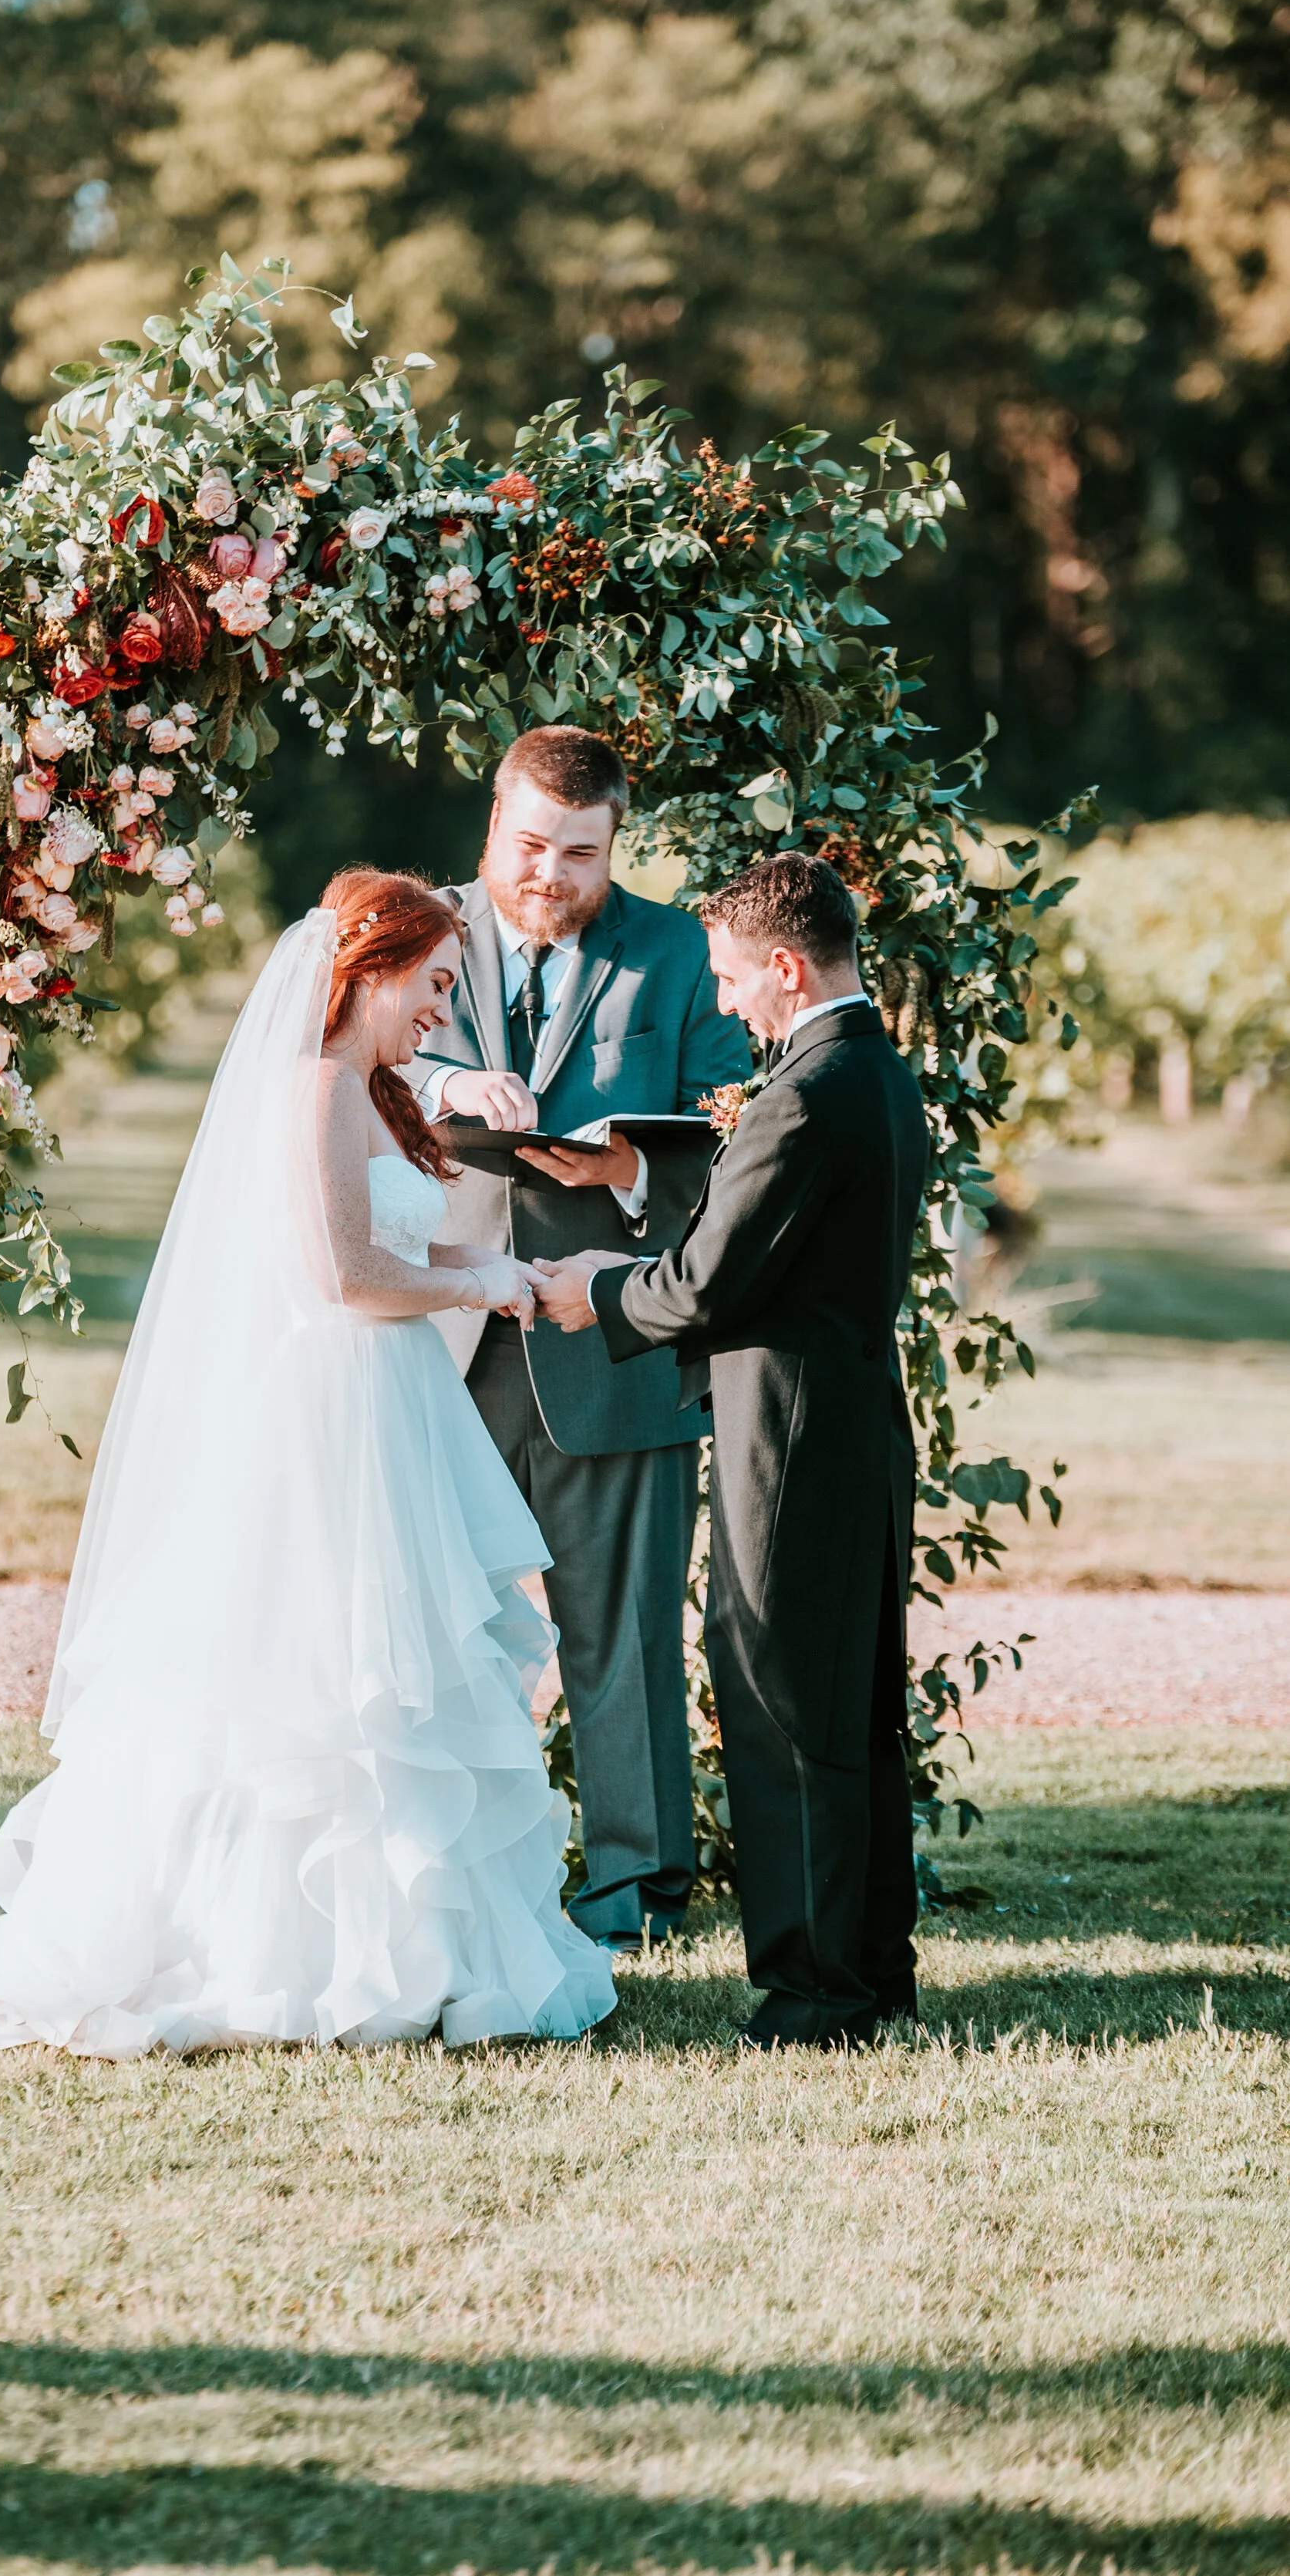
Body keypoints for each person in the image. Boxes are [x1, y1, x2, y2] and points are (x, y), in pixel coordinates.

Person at [0, 869, 616, 2057]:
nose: (441, 1011)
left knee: (396, 1677)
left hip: (388, 1407)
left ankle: (415, 1946)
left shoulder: (370, 1090)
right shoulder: (318, 1084)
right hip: (329, 1413)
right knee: (320, 1681)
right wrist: (482, 1281)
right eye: (433, 985)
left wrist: (515, 1279)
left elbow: (394, 1236)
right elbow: (343, 1276)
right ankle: (290, 1950)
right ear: (372, 969)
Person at [531, 851, 929, 2048]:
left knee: (781, 1703)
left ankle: (815, 1997)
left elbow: (707, 1285)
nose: (726, 1002)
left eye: (732, 979)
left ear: (787, 967)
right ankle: (869, 1972)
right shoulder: (879, 1071)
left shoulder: (804, 1094)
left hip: (789, 1436)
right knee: (852, 1708)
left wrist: (594, 1295)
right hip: (854, 1419)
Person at [406, 727, 749, 1958]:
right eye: (532, 845)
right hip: (436, 1345)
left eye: (582, 855)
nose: (551, 876)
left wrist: (629, 1162)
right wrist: (449, 1093)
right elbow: (345, 1074)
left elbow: (732, 1125)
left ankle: (635, 1893)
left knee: (622, 1635)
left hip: (614, 1341)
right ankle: (443, 1881)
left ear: (618, 846)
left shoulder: (673, 951)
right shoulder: (415, 929)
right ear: (494, 817)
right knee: (427, 1625)